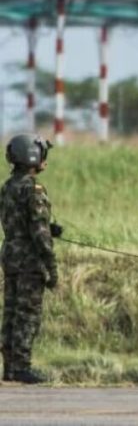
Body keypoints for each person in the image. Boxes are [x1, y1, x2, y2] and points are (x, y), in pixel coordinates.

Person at [0, 134, 60, 384]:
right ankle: (21, 367)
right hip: (29, 262)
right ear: (32, 158)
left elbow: (16, 221)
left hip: (11, 257)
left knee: (11, 313)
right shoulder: (33, 189)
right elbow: (39, 234)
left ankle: (10, 367)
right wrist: (52, 268)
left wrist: (48, 226)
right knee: (27, 315)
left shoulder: (8, 187)